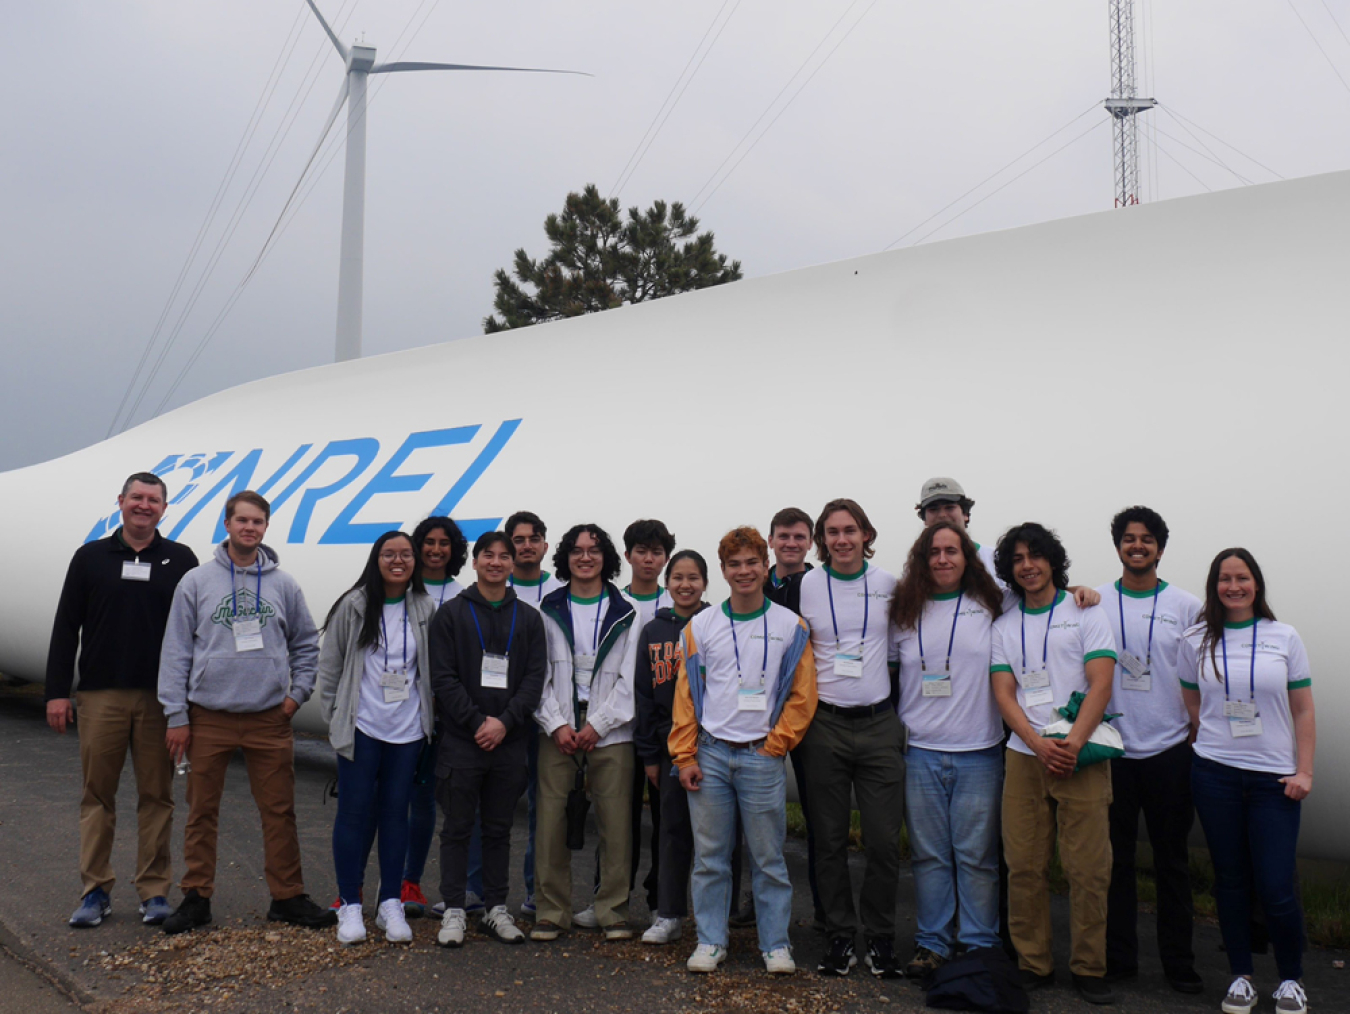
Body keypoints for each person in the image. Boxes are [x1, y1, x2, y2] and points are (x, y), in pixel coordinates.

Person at [157, 490, 332, 935]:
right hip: (208, 717)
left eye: (258, 522)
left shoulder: (284, 585)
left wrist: (296, 695)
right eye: (242, 521)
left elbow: (306, 645)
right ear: (227, 524)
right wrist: (176, 715)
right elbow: (175, 651)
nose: (249, 528)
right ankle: (197, 897)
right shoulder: (196, 582)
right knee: (201, 810)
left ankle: (288, 897)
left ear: (265, 528)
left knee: (279, 811)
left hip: (268, 718)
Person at [46, 472, 199, 928]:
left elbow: (196, 631)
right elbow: (65, 625)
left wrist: (189, 703)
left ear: (164, 509)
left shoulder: (181, 560)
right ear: (121, 502)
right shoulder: (90, 557)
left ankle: (154, 893)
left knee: (158, 797)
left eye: (154, 500)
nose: (144, 506)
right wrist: (57, 692)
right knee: (98, 796)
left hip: (161, 699)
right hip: (100, 696)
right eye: (137, 497)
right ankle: (95, 890)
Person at [670, 526, 817, 975]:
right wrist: (685, 755)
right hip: (711, 753)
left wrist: (777, 745)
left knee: (768, 857)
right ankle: (711, 940)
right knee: (711, 856)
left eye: (752, 562)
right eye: (734, 564)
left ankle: (775, 943)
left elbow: (802, 694)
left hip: (762, 755)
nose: (744, 571)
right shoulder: (700, 626)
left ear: (766, 565)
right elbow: (686, 697)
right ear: (724, 571)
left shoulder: (790, 626)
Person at [1179, 549, 1315, 1014]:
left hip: (1273, 781)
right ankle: (1241, 976)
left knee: (1276, 885)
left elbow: (1303, 708)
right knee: (1230, 882)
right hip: (1215, 774)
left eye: (1242, 577)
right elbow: (1191, 700)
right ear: (1213, 585)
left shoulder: (1284, 636)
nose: (1233, 586)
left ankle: (1291, 979)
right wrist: (1210, 741)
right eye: (1224, 578)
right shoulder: (1196, 638)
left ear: (1256, 583)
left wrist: (1305, 771)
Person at [989, 522, 1117, 1004]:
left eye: (1036, 555)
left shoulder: (1084, 612)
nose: (1028, 565)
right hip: (1025, 757)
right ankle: (1033, 963)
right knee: (1024, 865)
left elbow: (1101, 682)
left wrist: (1073, 744)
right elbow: (1004, 693)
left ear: (1052, 561)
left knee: (1088, 869)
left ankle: (1088, 967)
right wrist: (1037, 743)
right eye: (1018, 558)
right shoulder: (1003, 626)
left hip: (1080, 755)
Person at [888, 521, 1009, 979]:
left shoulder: (993, 605)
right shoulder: (904, 611)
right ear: (922, 559)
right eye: (934, 552)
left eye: (952, 551)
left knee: (977, 857)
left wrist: (1080, 591)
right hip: (920, 751)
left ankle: (978, 944)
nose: (943, 559)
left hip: (980, 751)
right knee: (930, 855)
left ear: (967, 557)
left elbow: (1044, 599)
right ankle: (932, 943)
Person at [794, 499, 904, 977]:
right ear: (823, 538)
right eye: (833, 532)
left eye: (850, 530)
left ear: (865, 534)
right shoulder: (808, 585)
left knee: (882, 840)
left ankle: (879, 936)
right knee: (830, 839)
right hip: (825, 726)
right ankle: (839, 933)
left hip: (879, 723)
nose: (842, 539)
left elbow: (901, 653)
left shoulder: (888, 585)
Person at [1096, 507, 1203, 993]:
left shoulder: (1187, 606)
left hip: (1169, 749)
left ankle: (1178, 963)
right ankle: (1119, 960)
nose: (1137, 546)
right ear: (1117, 545)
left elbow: (1204, 675)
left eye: (1146, 540)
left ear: (1160, 547)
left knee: (1171, 862)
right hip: (1113, 750)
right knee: (1113, 863)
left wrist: (1199, 730)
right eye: (1128, 539)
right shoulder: (1093, 602)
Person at [430, 531, 547, 948]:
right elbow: (443, 678)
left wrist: (504, 722)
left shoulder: (529, 618)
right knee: (458, 828)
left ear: (514, 565)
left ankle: (497, 907)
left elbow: (535, 679)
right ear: (475, 562)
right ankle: (456, 908)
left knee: (499, 829)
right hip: (462, 741)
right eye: (488, 556)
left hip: (510, 741)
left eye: (504, 556)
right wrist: (478, 721)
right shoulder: (451, 615)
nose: (496, 562)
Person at [317, 531, 434, 945]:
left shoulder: (423, 606)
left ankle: (390, 904)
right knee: (353, 813)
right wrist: (336, 720)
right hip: (362, 727)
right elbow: (329, 670)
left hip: (407, 731)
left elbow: (429, 671)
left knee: (394, 814)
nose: (398, 561)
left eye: (406, 554)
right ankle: (350, 904)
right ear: (376, 559)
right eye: (389, 554)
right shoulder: (354, 605)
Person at [530, 523, 642, 942]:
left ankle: (612, 911)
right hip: (557, 731)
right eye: (576, 550)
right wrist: (556, 723)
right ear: (566, 557)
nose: (585, 557)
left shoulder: (629, 612)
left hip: (610, 734)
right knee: (551, 824)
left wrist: (598, 724)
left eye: (594, 550)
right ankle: (551, 911)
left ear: (606, 557)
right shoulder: (547, 608)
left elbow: (631, 683)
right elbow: (536, 675)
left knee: (616, 826)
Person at [635, 550, 710, 944]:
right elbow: (644, 695)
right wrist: (649, 754)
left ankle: (720, 915)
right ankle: (669, 914)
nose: (685, 584)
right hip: (668, 745)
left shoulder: (717, 623)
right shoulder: (653, 630)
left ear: (705, 583)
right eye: (678, 577)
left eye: (694, 577)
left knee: (718, 835)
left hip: (713, 741)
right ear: (667, 585)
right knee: (672, 830)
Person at [398, 516, 467, 919]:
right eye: (428, 542)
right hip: (403, 711)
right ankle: (396, 882)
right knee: (399, 799)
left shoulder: (463, 595)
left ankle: (414, 881)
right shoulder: (399, 589)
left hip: (450, 716)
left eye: (444, 543)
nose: (436, 550)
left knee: (431, 803)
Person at [758, 506, 822, 930]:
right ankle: (755, 901)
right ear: (771, 540)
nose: (791, 543)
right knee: (757, 816)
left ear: (810, 542)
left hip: (807, 713)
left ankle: (822, 907)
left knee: (819, 817)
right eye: (784, 536)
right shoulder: (756, 583)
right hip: (758, 713)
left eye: (800, 537)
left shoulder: (822, 585)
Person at [503, 510, 562, 918]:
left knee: (544, 814)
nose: (527, 545)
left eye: (534, 538)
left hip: (545, 720)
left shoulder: (560, 593)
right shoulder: (492, 588)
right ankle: (477, 895)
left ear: (545, 544)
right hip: (502, 718)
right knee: (491, 810)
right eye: (519, 539)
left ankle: (534, 893)